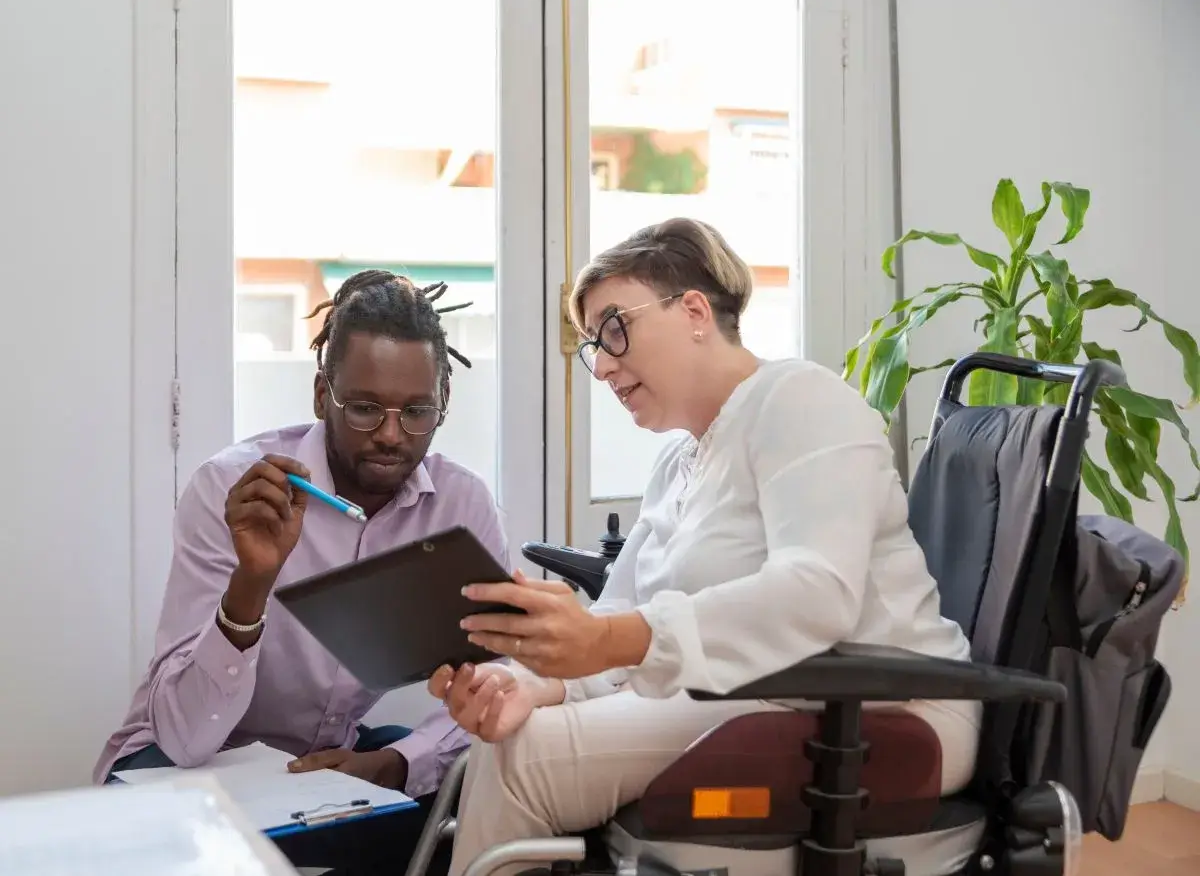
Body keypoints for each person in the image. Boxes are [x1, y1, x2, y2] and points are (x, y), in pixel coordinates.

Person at [426, 218, 983, 876]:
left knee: (522, 762)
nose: (601, 364)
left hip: (881, 707)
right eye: (591, 346)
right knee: (508, 735)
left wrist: (609, 644)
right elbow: (624, 611)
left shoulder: (800, 400)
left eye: (612, 328)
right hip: (754, 693)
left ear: (692, 309)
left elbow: (817, 593)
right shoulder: (677, 463)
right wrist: (532, 683)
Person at [96, 269, 504, 875]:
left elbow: (499, 677)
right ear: (322, 396)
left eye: (417, 411)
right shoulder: (234, 490)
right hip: (181, 763)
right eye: (365, 408)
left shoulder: (459, 505)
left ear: (443, 405)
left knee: (470, 807)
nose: (392, 436)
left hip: (317, 771)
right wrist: (252, 583)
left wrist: (396, 762)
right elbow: (184, 737)